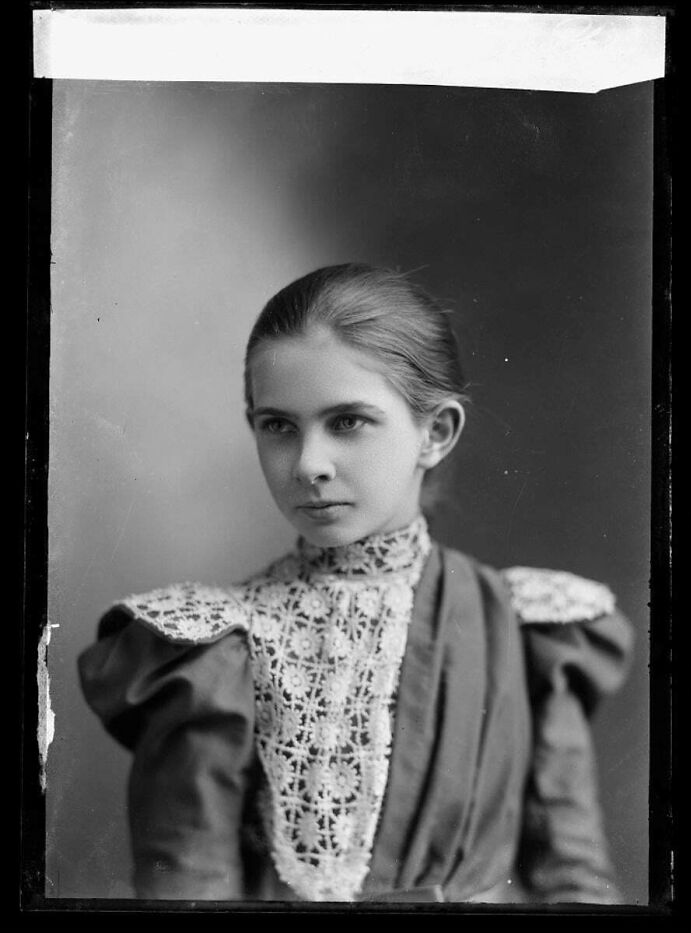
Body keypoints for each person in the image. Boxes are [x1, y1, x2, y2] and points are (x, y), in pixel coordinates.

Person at [78, 263, 633, 904]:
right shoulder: (212, 648)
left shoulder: (523, 628)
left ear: (437, 433)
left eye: (347, 422)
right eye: (278, 425)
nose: (309, 464)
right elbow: (186, 882)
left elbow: (576, 883)